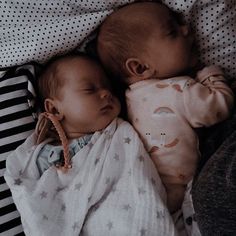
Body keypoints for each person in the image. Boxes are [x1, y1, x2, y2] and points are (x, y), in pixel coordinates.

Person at [4, 54, 177, 236]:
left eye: (108, 87)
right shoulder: (44, 155)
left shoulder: (119, 131)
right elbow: (44, 195)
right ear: (55, 109)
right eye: (89, 89)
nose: (106, 93)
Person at [97, 1, 234, 215]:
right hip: (184, 187)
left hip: (155, 187)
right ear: (140, 67)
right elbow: (220, 107)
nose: (186, 28)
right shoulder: (179, 90)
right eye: (172, 31)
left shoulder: (130, 98)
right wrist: (211, 75)